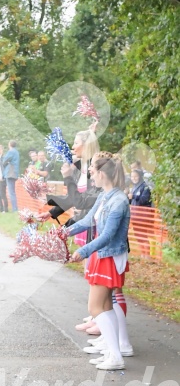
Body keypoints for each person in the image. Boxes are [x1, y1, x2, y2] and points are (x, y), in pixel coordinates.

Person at [67, 156, 130, 371]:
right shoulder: (105, 196)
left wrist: (83, 251)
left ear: (102, 173)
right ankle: (114, 353)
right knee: (105, 306)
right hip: (102, 255)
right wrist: (63, 232)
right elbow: (87, 221)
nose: (91, 175)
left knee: (94, 307)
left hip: (108, 257)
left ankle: (115, 355)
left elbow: (108, 235)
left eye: (93, 171)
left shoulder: (118, 201)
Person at [128, 168, 152, 258]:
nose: (134, 178)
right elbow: (133, 201)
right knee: (138, 235)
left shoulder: (145, 187)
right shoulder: (134, 187)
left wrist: (133, 196)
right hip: (135, 216)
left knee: (143, 235)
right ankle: (143, 253)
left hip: (142, 216)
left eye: (136, 176)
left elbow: (144, 199)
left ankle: (147, 255)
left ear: (140, 177)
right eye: (132, 176)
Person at [2, 139, 20, 211]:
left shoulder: (11, 151)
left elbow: (4, 161)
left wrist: (6, 163)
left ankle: (14, 208)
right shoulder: (16, 152)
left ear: (9, 144)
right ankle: (15, 208)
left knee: (11, 192)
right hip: (14, 173)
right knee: (12, 191)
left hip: (10, 173)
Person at [0, 144, 8, 212]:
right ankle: (1, 208)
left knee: (3, 194)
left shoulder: (4, 158)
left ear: (1, 150)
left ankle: (5, 209)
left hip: (2, 179)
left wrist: (3, 176)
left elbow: (5, 169)